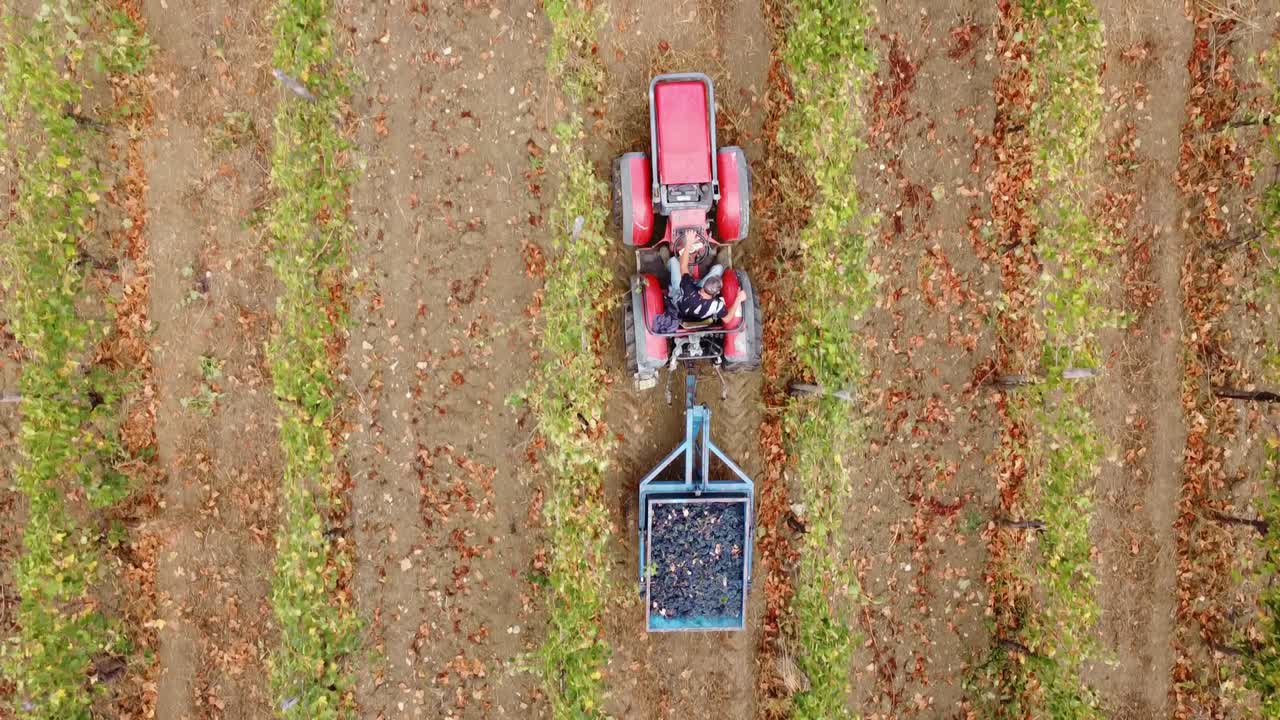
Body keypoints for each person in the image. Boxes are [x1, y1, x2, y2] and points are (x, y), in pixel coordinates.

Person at [666, 229, 746, 323]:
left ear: (703, 287)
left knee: (673, 261)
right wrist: (738, 299)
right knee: (719, 268)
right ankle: (717, 252)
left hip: (680, 297)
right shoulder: (716, 305)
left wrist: (688, 243)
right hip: (694, 302)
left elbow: (683, 266)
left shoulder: (689, 289)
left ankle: (667, 265)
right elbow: (727, 319)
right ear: (716, 294)